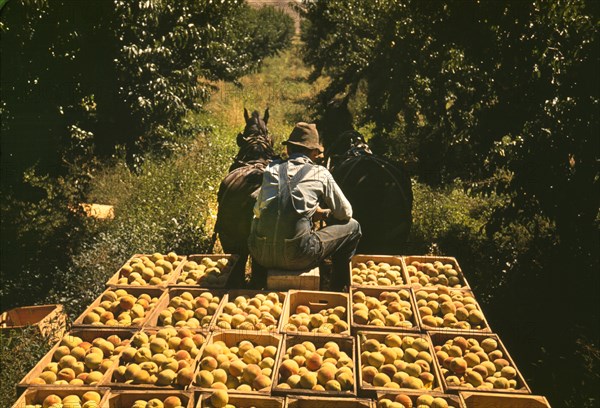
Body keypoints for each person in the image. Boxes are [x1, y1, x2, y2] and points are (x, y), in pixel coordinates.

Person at [248, 122, 361, 290]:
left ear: (288, 150)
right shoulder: (320, 172)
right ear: (315, 152)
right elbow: (345, 212)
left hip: (261, 254)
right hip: (298, 257)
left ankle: (256, 282)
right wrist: (324, 214)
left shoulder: (271, 169)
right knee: (353, 227)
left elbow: (258, 211)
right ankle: (337, 287)